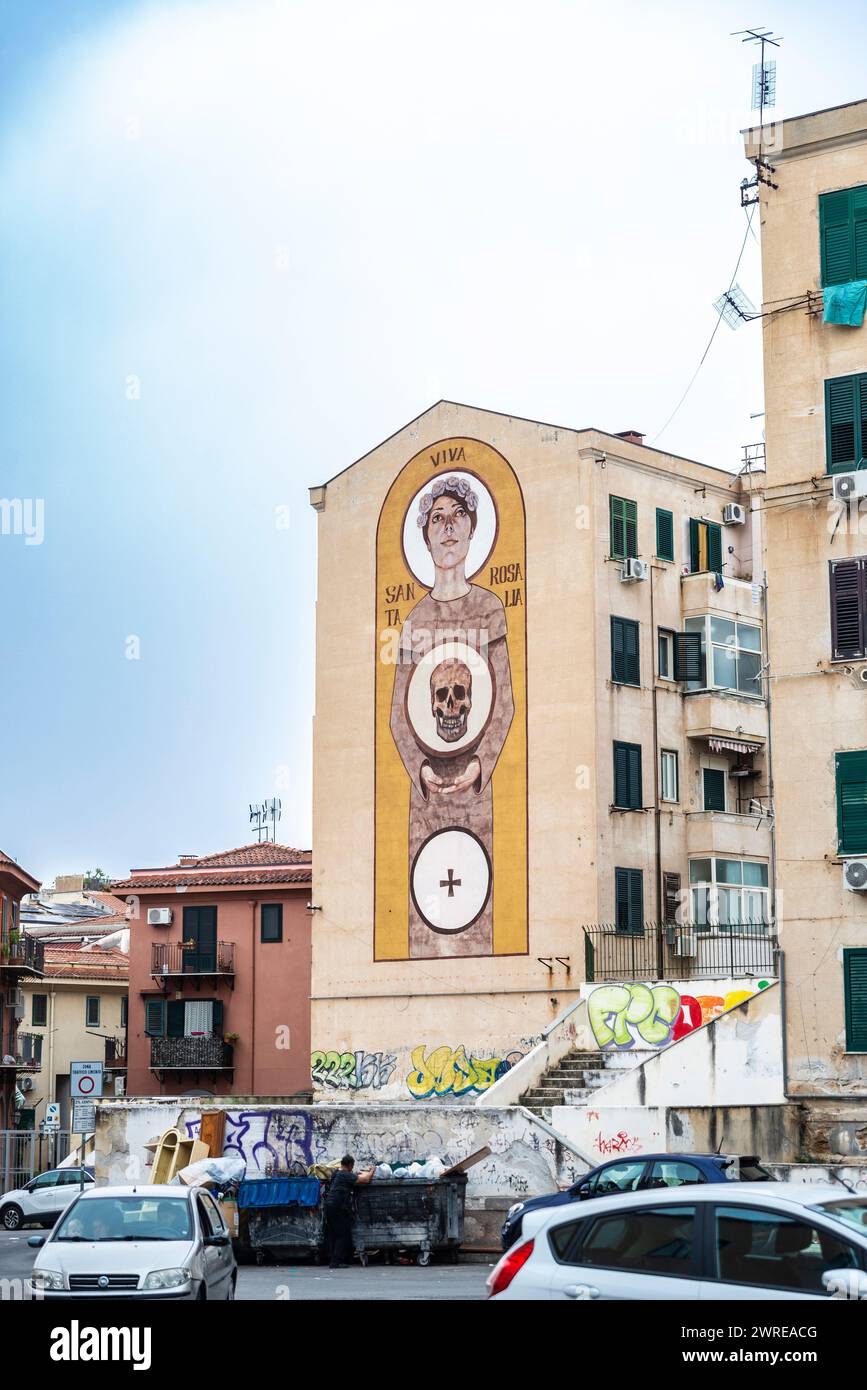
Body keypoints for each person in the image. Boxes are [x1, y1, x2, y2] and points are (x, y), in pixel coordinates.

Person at [323, 1155, 374, 1269]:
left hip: (330, 1206)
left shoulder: (337, 1173)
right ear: (350, 1165)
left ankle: (335, 1259)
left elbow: (355, 1177)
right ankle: (336, 1262)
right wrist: (372, 1171)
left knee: (334, 1234)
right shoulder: (345, 1175)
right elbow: (365, 1180)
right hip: (337, 1207)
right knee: (343, 1234)